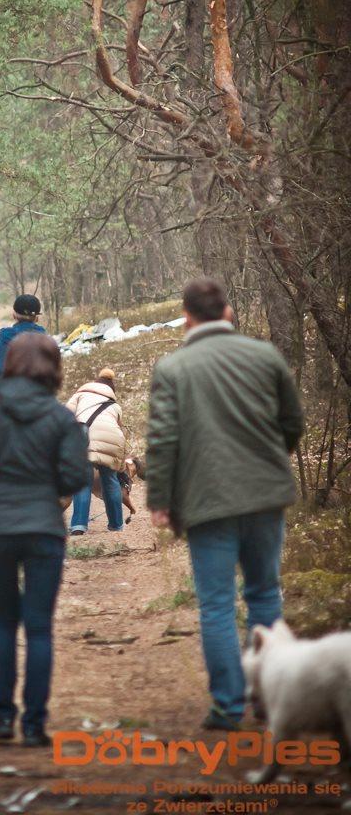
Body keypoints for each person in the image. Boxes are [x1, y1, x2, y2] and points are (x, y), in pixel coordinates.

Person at [145, 277, 304, 731]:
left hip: (206, 501)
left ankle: (228, 707)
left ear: (187, 317)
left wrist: (161, 499)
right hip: (266, 494)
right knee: (264, 593)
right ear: (229, 312)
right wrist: (272, 460)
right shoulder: (265, 355)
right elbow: (291, 421)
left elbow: (163, 440)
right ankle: (273, 700)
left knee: (216, 603)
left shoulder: (174, 368)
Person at [0, 332, 90, 747]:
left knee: (3, 622)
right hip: (44, 529)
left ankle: (1, 719)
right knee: (38, 628)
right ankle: (34, 725)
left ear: (11, 363)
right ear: (53, 367)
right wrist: (47, 491)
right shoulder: (60, 418)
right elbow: (76, 476)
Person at [66, 367, 127, 535]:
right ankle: (116, 525)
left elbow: (65, 417)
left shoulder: (80, 394)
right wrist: (120, 466)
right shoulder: (115, 406)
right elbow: (121, 433)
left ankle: (79, 524)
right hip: (113, 440)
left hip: (85, 439)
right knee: (110, 480)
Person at [0, 294, 45, 387]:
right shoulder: (48, 345)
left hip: (5, 397)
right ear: (37, 318)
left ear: (14, 315)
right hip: (36, 398)